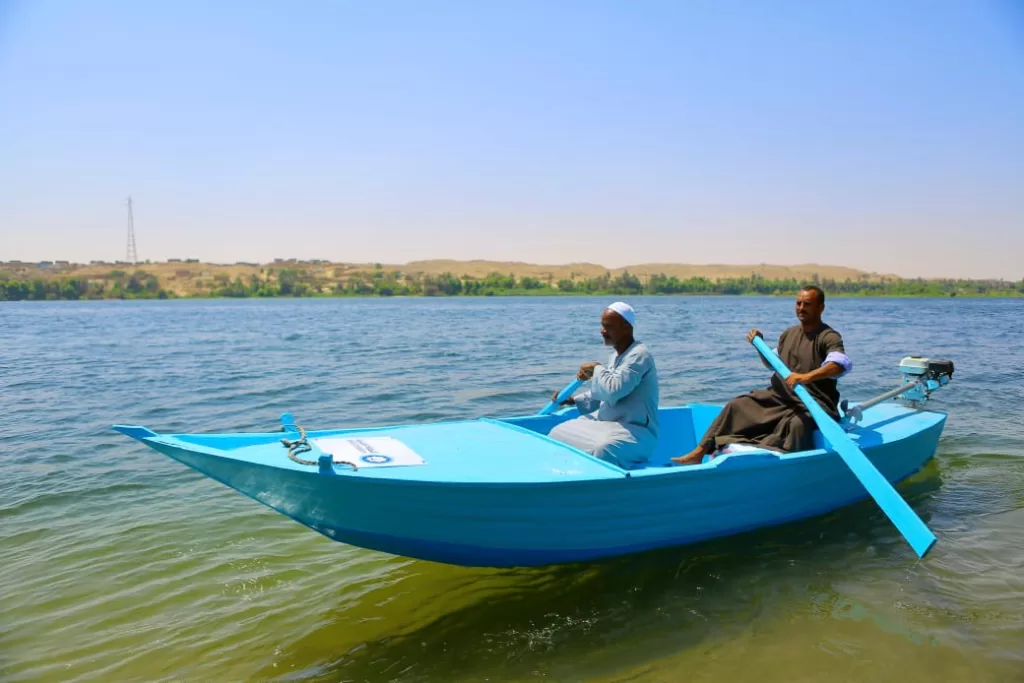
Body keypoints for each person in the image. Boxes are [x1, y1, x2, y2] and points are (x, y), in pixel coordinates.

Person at [672, 285, 852, 465]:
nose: (801, 308)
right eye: (798, 303)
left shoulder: (828, 336)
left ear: (821, 308)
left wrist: (806, 377)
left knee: (797, 426)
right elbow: (772, 363)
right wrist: (760, 346)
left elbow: (839, 365)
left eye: (807, 304)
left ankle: (786, 465)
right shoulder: (788, 334)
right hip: (780, 398)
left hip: (812, 404)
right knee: (737, 405)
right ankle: (699, 452)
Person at [547, 301, 660, 470]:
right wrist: (572, 400)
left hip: (636, 431)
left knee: (604, 449)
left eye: (608, 326)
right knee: (557, 433)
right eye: (602, 326)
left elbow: (614, 391)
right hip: (607, 424)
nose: (603, 331)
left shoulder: (639, 355)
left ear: (626, 327)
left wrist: (597, 370)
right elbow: (604, 395)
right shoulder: (616, 355)